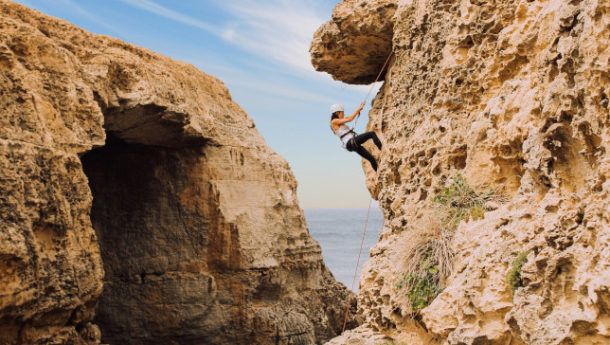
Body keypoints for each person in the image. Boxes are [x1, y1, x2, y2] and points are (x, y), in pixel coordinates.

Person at [330, 102, 382, 171]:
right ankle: (382, 148)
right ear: (337, 113)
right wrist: (358, 109)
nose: (343, 114)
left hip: (351, 144)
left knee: (371, 158)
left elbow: (350, 117)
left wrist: (360, 107)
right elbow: (350, 119)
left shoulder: (340, 121)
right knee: (371, 134)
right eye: (342, 112)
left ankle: (378, 174)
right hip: (350, 142)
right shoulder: (334, 121)